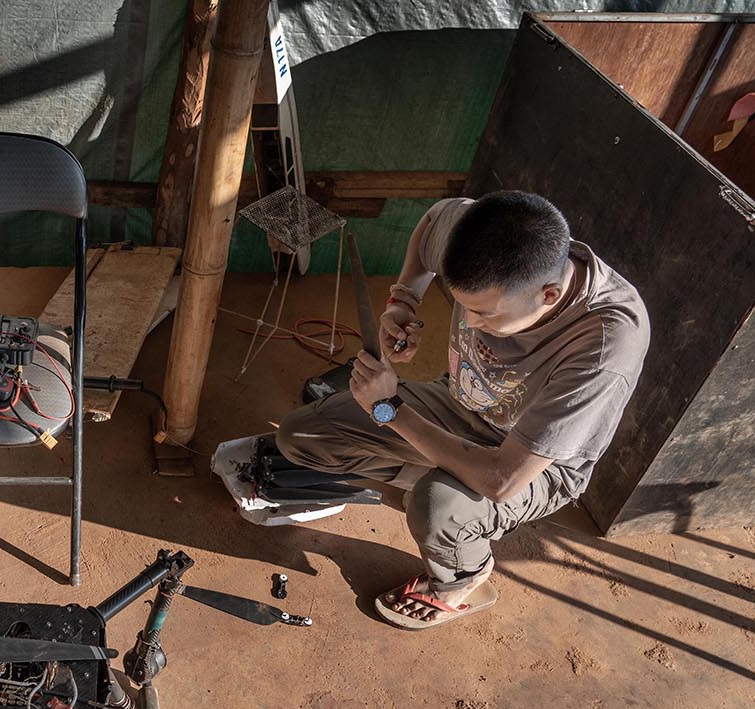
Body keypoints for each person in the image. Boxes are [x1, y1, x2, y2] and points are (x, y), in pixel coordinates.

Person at [275, 191, 649, 629]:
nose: (469, 324)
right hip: (459, 403)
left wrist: (389, 409)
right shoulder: (474, 231)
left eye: (484, 313)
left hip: (535, 465)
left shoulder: (604, 345)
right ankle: (439, 479)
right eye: (462, 304)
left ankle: (461, 577)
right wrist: (403, 301)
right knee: (300, 438)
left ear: (548, 295)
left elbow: (502, 479)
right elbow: (433, 218)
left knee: (438, 506)